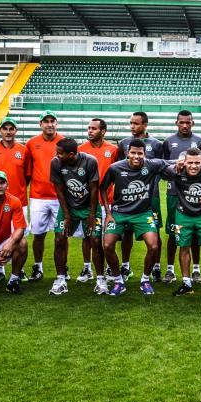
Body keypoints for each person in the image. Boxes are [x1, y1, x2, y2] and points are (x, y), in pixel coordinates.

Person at [100, 139, 168, 296]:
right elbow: (103, 188)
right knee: (108, 245)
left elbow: (172, 162)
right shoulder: (115, 168)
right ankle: (118, 281)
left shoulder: (151, 165)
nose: (136, 156)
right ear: (127, 153)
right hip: (119, 213)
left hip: (143, 213)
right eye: (133, 153)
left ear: (144, 154)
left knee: (153, 246)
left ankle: (145, 280)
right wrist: (108, 213)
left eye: (140, 153)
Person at [160, 147, 201, 296]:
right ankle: (186, 283)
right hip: (183, 215)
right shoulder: (176, 170)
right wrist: (177, 162)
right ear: (184, 162)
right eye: (190, 163)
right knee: (183, 247)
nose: (193, 166)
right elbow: (160, 165)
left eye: (197, 163)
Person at [48, 138, 102, 296]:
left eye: (60, 153)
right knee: (59, 239)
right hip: (69, 207)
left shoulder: (90, 162)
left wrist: (91, 215)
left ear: (71, 155)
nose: (56, 155)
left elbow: (94, 189)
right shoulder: (56, 163)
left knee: (95, 240)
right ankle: (60, 279)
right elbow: (58, 189)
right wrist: (66, 215)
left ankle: (100, 280)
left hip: (89, 207)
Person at [116, 111, 164, 282]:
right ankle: (125, 266)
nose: (132, 127)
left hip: (152, 196)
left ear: (145, 125)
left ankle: (156, 268)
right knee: (127, 232)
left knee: (155, 232)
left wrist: (151, 185)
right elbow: (120, 168)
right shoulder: (123, 143)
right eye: (131, 123)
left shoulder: (157, 144)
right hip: (129, 197)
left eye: (135, 123)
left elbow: (161, 168)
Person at [0, 117, 29, 282]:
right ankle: (0, 269)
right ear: (0, 130)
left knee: (19, 237)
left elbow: (27, 175)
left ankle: (19, 270)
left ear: (16, 131)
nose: (8, 132)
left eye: (11, 129)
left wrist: (18, 190)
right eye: (5, 129)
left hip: (19, 201)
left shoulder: (23, 150)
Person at [162, 110, 201, 283]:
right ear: (177, 123)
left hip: (194, 192)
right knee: (173, 231)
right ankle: (170, 270)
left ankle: (196, 270)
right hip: (174, 192)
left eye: (188, 122)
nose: (185, 125)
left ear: (192, 123)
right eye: (182, 122)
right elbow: (164, 167)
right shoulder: (168, 142)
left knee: (194, 232)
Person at [24, 110, 63, 282]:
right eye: (45, 121)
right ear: (40, 124)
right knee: (38, 234)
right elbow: (27, 171)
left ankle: (62, 268)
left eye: (52, 121)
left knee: (61, 235)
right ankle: (38, 267)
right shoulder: (31, 143)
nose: (49, 124)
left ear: (57, 123)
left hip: (59, 198)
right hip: (38, 197)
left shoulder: (64, 142)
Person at [77, 118, 117, 284]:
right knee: (88, 236)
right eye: (89, 128)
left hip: (108, 201)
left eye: (94, 128)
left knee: (108, 237)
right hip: (87, 202)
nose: (90, 131)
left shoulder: (113, 150)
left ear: (103, 131)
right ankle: (87, 268)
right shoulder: (80, 150)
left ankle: (108, 266)